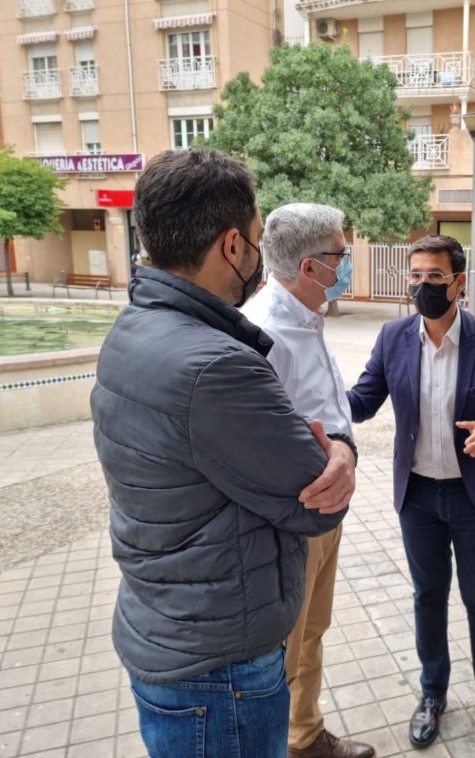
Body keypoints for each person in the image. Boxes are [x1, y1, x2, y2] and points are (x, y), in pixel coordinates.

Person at [91, 149, 356, 758]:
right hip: (220, 667)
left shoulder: (135, 329)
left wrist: (332, 448)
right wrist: (336, 454)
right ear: (233, 246)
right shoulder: (217, 363)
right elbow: (316, 503)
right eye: (258, 240)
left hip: (175, 627)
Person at [347, 235, 475, 748]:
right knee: (428, 597)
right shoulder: (392, 337)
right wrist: (313, 397)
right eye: (416, 276)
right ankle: (432, 693)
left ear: (459, 283)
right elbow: (362, 400)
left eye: (434, 277)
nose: (422, 286)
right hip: (420, 498)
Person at [240, 204, 374, 758]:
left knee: (312, 631)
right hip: (293, 519)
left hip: (325, 512)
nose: (347, 265)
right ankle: (281, 742)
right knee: (285, 649)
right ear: (310, 266)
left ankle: (306, 735)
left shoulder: (308, 313)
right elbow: (258, 446)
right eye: (341, 255)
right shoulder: (267, 332)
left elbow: (328, 410)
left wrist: (344, 448)